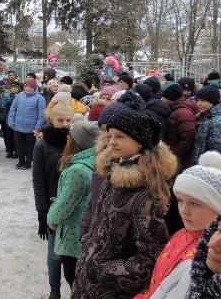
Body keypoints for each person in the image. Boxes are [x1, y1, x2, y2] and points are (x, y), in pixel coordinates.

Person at [72, 109, 178, 299]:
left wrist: (99, 270)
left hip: (111, 291)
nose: (111, 141)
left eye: (120, 136)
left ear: (139, 142)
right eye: (110, 135)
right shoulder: (113, 172)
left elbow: (149, 259)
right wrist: (88, 241)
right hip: (87, 286)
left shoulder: (144, 192)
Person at [135, 151, 221, 298]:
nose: (184, 210)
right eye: (180, 200)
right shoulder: (181, 234)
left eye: (194, 203)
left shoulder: (209, 257)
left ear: (218, 208)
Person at [46, 120, 100, 293]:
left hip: (73, 238)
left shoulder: (78, 170)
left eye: (71, 136)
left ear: (79, 141)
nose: (67, 137)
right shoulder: (94, 161)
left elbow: (63, 206)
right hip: (84, 234)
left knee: (73, 281)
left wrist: (51, 219)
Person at [32, 100, 74, 299]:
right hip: (52, 206)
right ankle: (54, 289)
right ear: (51, 119)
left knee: (73, 253)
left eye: (68, 120)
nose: (64, 124)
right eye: (60, 120)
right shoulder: (42, 144)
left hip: (74, 205)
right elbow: (38, 180)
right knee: (55, 253)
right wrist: (42, 211)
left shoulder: (75, 142)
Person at [192, 85, 221, 178]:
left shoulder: (218, 122)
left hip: (212, 176)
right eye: (197, 100)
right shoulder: (208, 117)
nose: (198, 103)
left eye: (203, 100)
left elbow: (217, 155)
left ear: (213, 101)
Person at [8, 79, 46, 170]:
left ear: (35, 87)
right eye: (26, 86)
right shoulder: (19, 96)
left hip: (31, 128)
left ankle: (28, 162)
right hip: (18, 127)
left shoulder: (40, 98)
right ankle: (21, 161)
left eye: (31, 87)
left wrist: (38, 127)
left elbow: (42, 115)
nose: (28, 88)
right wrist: (11, 121)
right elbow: (13, 109)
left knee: (30, 146)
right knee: (18, 145)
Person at [161, 82, 197, 173]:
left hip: (177, 160)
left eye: (163, 96)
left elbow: (188, 139)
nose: (161, 98)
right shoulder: (172, 108)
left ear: (171, 97)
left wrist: (171, 154)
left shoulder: (183, 113)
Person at [0, 81, 20, 159]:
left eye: (15, 87)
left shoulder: (20, 96)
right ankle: (10, 150)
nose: (13, 89)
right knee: (9, 136)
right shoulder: (6, 96)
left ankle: (16, 151)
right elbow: (2, 106)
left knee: (16, 137)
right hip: (8, 118)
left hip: (17, 119)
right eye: (12, 87)